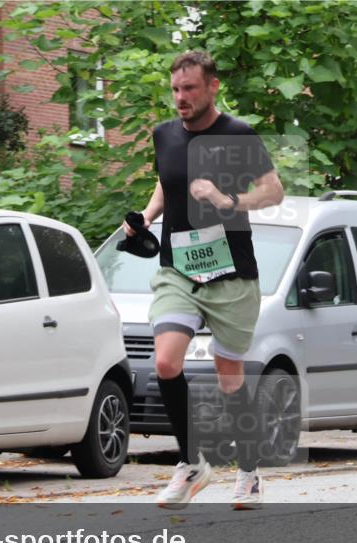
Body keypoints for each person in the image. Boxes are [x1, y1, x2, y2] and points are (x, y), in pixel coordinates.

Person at [121, 51, 284, 509]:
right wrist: (146, 217)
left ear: (212, 87)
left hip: (231, 272)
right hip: (178, 268)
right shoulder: (164, 135)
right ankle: (192, 463)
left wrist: (228, 200)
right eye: (175, 90)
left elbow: (274, 191)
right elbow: (166, 180)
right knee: (165, 363)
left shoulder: (239, 135)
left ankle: (249, 473)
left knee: (229, 378)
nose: (180, 98)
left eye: (189, 88)